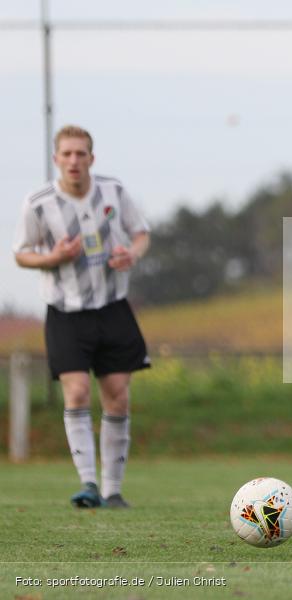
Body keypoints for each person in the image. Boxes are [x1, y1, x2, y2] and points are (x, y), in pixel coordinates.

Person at [13, 125, 152, 509]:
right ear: (56, 159)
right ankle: (88, 484)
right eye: (67, 154)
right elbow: (21, 253)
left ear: (92, 158)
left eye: (81, 153)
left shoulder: (113, 192)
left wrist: (132, 255)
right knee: (76, 392)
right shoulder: (39, 203)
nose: (74, 160)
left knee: (117, 397)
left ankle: (112, 489)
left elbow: (140, 233)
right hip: (66, 311)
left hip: (112, 307)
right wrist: (52, 258)